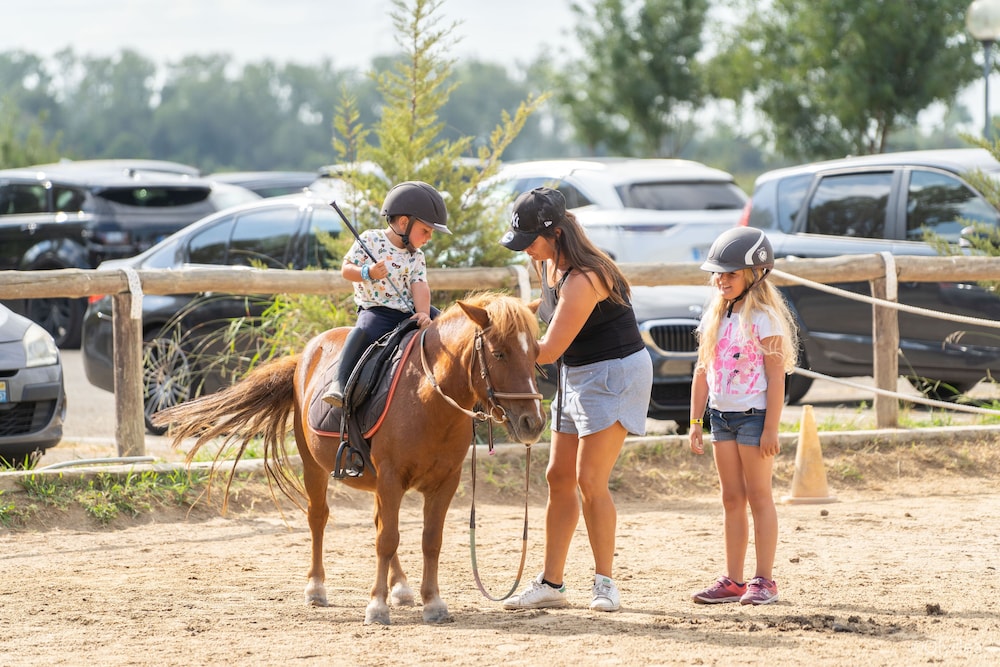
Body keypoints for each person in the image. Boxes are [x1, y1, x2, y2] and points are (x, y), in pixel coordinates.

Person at [498, 187, 653, 613]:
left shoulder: (586, 277)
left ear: (557, 234)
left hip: (614, 373)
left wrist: (503, 338)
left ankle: (605, 583)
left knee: (589, 480)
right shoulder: (549, 264)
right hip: (578, 374)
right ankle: (552, 583)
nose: (527, 249)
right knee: (557, 476)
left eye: (531, 240)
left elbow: (546, 350)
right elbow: (545, 309)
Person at [688, 226, 798, 606]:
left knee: (759, 496)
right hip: (721, 418)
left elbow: (775, 377)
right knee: (731, 498)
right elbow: (702, 372)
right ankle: (733, 580)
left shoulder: (765, 319)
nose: (722, 280)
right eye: (718, 273)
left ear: (755, 274)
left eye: (731, 273)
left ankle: (764, 579)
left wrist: (771, 428)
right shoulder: (714, 318)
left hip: (754, 417)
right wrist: (695, 422)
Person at [321, 180, 450, 407]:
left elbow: (420, 285)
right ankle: (338, 383)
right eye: (426, 230)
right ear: (403, 223)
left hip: (408, 310)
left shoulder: (416, 255)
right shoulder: (370, 240)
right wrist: (367, 272)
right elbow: (346, 270)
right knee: (362, 331)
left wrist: (422, 313)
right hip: (378, 310)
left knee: (446, 325)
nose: (429, 237)